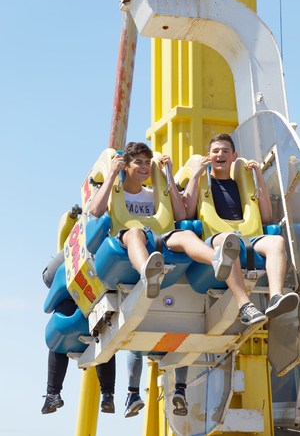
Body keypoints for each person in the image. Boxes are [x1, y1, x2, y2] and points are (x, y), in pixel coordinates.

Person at [89, 141, 242, 418]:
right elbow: (96, 211)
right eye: (139, 163)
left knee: (185, 235)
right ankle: (148, 270)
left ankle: (217, 259)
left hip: (160, 239)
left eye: (148, 163)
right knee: (135, 231)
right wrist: (112, 174)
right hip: (130, 240)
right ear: (127, 166)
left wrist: (168, 176)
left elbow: (181, 215)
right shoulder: (117, 191)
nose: (145, 168)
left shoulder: (154, 192)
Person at [182, 133, 299, 325]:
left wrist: (259, 177)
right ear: (208, 156)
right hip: (215, 239)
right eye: (215, 151)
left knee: (277, 241)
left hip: (247, 238)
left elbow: (267, 217)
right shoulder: (201, 181)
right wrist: (195, 174)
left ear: (234, 156)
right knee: (229, 240)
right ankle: (245, 305)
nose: (220, 154)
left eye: (225, 151)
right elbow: (186, 214)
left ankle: (275, 297)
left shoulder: (242, 184)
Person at [41, 251, 116, 414]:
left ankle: (52, 393)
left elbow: (48, 278)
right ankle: (108, 395)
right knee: (106, 336)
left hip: (73, 312)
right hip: (100, 309)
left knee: (57, 333)